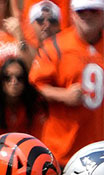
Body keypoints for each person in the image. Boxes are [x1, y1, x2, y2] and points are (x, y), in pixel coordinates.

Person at [29, 0, 104, 166]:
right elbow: (32, 88)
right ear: (72, 14)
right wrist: (63, 95)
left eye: (94, 11)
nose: (87, 16)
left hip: (100, 149)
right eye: (81, 11)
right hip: (62, 150)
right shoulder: (55, 46)